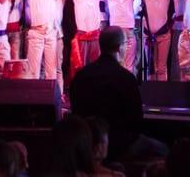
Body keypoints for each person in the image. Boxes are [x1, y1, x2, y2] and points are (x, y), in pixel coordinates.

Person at [70, 26, 167, 161]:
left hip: (87, 142)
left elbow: (76, 112)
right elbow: (136, 120)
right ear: (119, 48)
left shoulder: (81, 76)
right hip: (121, 144)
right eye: (125, 44)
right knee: (165, 150)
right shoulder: (125, 78)